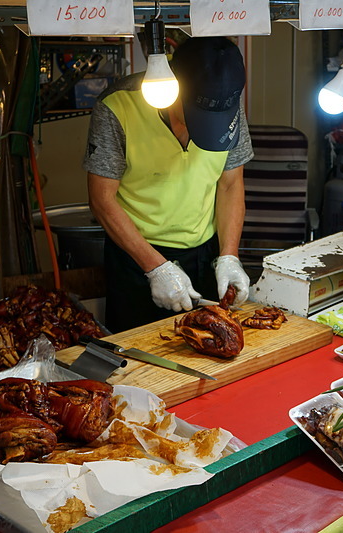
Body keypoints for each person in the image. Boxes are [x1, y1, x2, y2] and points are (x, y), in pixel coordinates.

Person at [84, 37, 254, 332]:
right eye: (193, 116)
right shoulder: (118, 104)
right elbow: (102, 199)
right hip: (135, 257)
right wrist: (155, 267)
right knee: (136, 357)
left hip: (204, 254)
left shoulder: (227, 103)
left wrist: (229, 256)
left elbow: (230, 184)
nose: (193, 128)